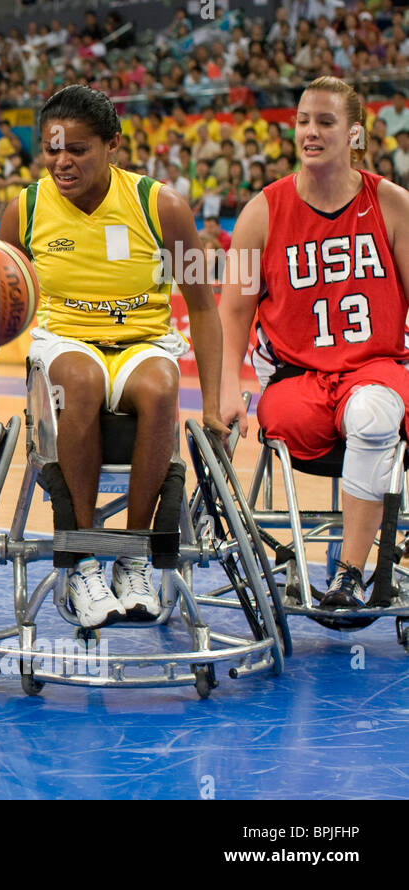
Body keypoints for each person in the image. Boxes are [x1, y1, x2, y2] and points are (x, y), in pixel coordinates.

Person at [0, 85, 226, 628]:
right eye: (52, 149)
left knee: (163, 386)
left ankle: (134, 556)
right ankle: (83, 559)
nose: (62, 162)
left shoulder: (159, 206)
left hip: (143, 342)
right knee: (83, 381)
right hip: (64, 341)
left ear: (112, 145)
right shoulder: (24, 208)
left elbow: (204, 310)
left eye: (77, 149)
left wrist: (213, 405)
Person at [219, 76, 409, 611]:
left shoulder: (391, 204)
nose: (310, 131)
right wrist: (227, 387)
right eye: (303, 120)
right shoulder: (265, 209)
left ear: (354, 134)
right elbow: (233, 308)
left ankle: (351, 574)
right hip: (295, 380)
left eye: (325, 122)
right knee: (341, 422)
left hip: (376, 369)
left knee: (373, 417)